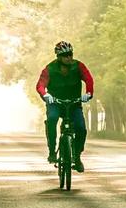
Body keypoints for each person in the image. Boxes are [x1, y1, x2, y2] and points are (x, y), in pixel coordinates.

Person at [36, 41, 94, 172]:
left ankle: (77, 157)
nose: (69, 57)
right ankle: (52, 151)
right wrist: (45, 95)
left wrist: (89, 93)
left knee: (81, 128)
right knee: (52, 119)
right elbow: (40, 85)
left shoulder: (78, 66)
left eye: (70, 54)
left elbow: (89, 79)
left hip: (74, 103)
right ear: (59, 57)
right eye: (65, 55)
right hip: (55, 103)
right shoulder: (49, 69)